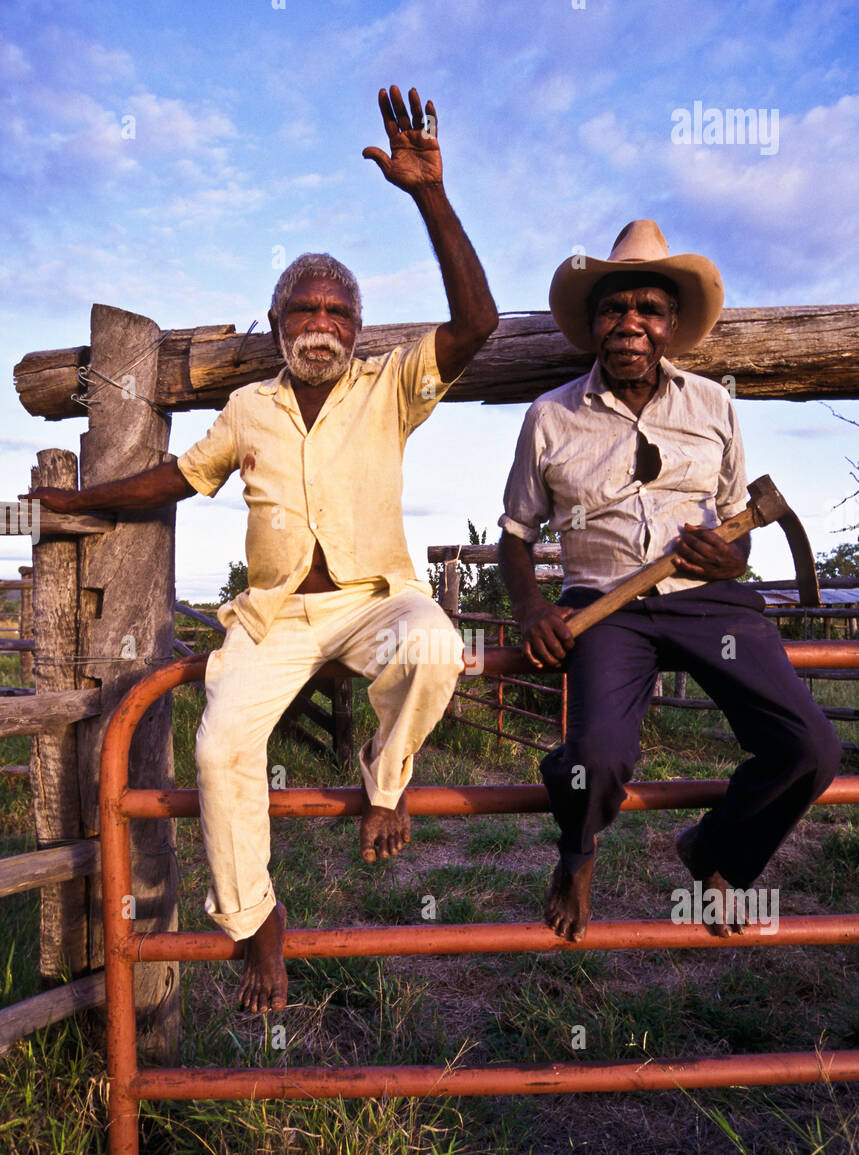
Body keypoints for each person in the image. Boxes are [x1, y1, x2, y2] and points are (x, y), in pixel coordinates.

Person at [30, 85, 498, 1012]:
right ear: (278, 322)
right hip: (275, 615)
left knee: (439, 642)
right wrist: (80, 497)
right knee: (217, 753)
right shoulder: (248, 408)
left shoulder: (390, 386)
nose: (319, 322)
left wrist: (429, 196)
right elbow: (175, 478)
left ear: (356, 329)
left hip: (374, 598)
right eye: (302, 308)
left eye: (335, 310)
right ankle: (256, 925)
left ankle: (384, 776)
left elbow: (478, 326)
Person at [498, 219, 841, 943]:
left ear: (670, 325)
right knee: (597, 758)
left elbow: (732, 525)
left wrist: (729, 561)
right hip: (602, 607)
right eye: (613, 309)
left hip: (704, 602)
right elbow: (516, 535)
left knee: (809, 748)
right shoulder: (549, 416)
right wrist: (530, 607)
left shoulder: (713, 404)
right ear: (592, 324)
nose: (630, 323)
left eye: (647, 310)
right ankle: (577, 852)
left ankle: (714, 853)